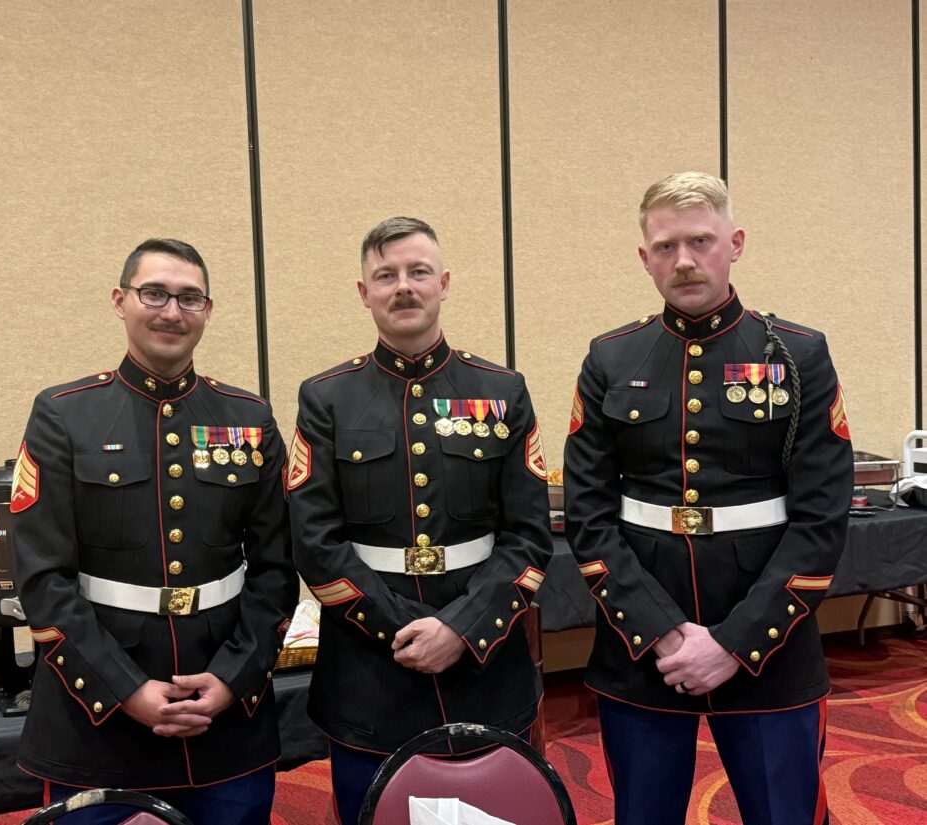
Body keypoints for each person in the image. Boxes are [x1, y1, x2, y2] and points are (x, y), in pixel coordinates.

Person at [563, 171, 853, 825]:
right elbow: (588, 514)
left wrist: (734, 642)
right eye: (666, 246)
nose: (685, 261)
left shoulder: (798, 354)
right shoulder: (611, 357)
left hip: (769, 639)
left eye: (701, 241)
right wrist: (662, 632)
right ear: (645, 257)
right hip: (642, 643)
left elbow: (821, 519)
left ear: (735, 243)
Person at [10, 238, 296, 824]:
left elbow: (276, 567)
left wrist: (232, 678)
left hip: (225, 717)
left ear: (208, 310)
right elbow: (43, 580)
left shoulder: (248, 418)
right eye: (154, 294)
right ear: (120, 301)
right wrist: (125, 690)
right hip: (97, 722)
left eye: (189, 298)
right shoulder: (64, 415)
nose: (172, 311)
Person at [286, 217, 553, 824]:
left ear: (444, 283)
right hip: (370, 668)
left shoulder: (501, 390)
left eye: (418, 272)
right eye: (386, 276)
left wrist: (460, 629)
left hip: (485, 660)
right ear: (364, 293)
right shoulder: (327, 398)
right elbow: (314, 541)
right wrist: (403, 631)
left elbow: (529, 537)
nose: (403, 286)